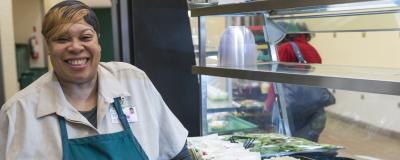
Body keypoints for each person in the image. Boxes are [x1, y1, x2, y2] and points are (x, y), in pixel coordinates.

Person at [0, 1, 191, 159]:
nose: (75, 47)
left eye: (85, 37)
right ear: (48, 47)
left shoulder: (134, 82)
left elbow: (178, 154)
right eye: (62, 39)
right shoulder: (18, 113)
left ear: (97, 41)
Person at [265, 33, 326, 142]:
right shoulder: (312, 49)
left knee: (289, 147)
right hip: (315, 110)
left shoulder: (285, 48)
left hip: (294, 111)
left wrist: (268, 105)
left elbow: (276, 80)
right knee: (308, 148)